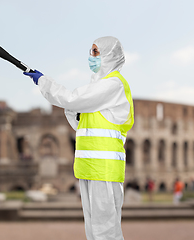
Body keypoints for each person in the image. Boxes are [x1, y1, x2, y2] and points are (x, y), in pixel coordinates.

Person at [24, 36, 134, 240]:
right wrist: (69, 106)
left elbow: (72, 99)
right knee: (93, 231)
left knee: (106, 231)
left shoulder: (113, 85)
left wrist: (44, 82)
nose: (91, 56)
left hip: (105, 170)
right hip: (89, 168)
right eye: (91, 52)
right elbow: (79, 122)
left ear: (109, 55)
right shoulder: (99, 92)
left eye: (95, 52)